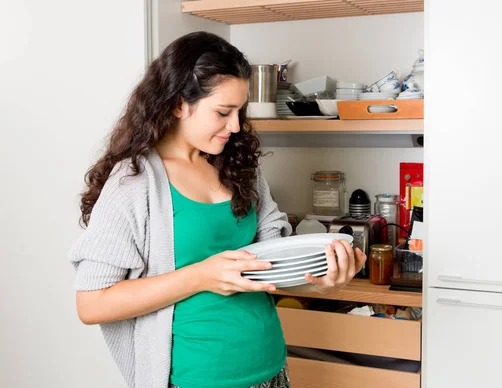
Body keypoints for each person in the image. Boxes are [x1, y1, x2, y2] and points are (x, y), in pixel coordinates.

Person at [69, 31, 367, 388]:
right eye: (223, 112)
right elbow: (92, 304)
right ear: (180, 103)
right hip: (194, 377)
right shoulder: (134, 181)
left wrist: (324, 279)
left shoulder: (240, 167)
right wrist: (201, 275)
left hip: (270, 368)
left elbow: (273, 267)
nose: (236, 126)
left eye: (240, 111)